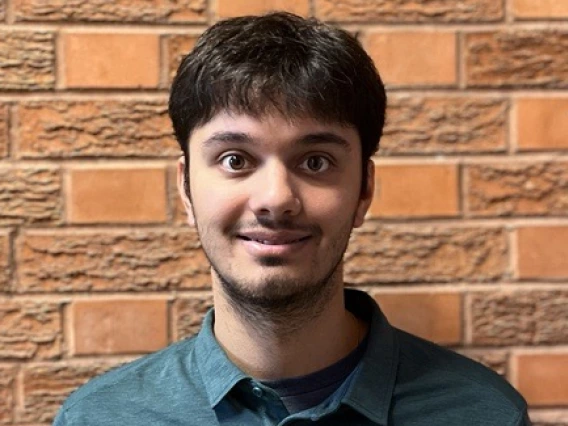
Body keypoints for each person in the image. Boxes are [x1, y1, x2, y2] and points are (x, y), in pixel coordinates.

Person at [53, 12, 531, 426]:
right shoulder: (99, 416)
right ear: (186, 188)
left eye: (316, 162)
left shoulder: (484, 413)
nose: (276, 199)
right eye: (236, 160)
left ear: (364, 189)